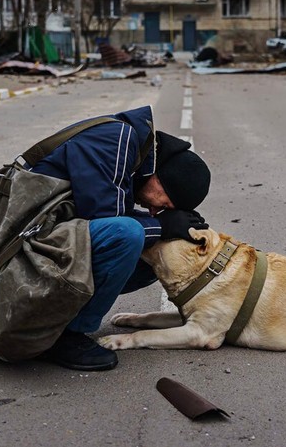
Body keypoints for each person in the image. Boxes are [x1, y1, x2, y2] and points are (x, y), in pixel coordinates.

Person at [29, 105, 211, 371]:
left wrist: (163, 229)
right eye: (164, 203)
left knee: (154, 248)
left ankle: (57, 316)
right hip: (22, 244)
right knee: (131, 234)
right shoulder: (118, 139)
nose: (153, 210)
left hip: (45, 237)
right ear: (161, 179)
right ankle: (66, 337)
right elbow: (107, 222)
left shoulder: (130, 151)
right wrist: (160, 224)